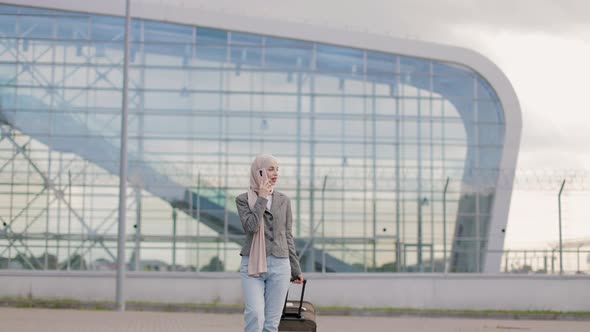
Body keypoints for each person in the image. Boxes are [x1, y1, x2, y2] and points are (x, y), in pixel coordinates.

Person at [235, 154, 304, 332]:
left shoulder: (284, 200)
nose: (275, 173)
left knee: (271, 323)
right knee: (255, 315)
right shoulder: (243, 199)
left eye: (277, 169)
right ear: (259, 172)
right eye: (271, 169)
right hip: (252, 265)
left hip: (281, 265)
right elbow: (251, 226)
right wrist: (262, 198)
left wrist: (296, 269)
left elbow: (287, 235)